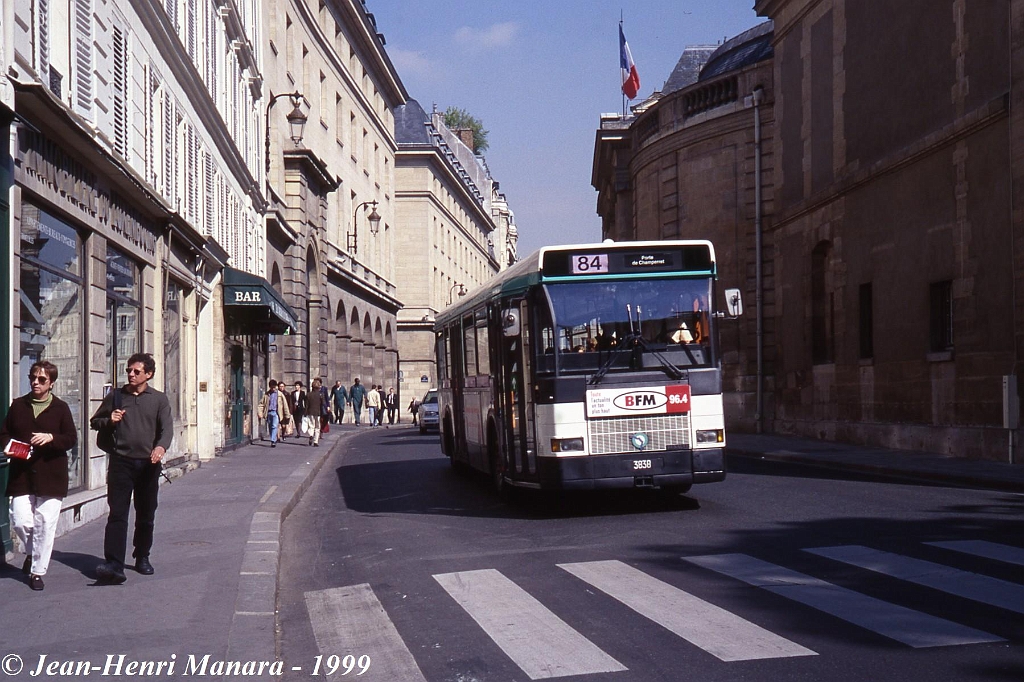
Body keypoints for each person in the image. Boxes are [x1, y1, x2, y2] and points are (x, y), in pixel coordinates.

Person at [91, 352, 172, 584]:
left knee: (146, 514)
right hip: (121, 462)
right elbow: (95, 422)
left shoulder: (158, 399)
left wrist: (160, 448)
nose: (131, 374)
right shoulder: (116, 396)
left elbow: (167, 429)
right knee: (117, 513)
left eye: (137, 371)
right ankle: (114, 564)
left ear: (149, 374)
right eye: (129, 370)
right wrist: (110, 420)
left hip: (148, 464)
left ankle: (142, 556)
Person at [1, 361, 77, 591]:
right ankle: (33, 552)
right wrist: (15, 448)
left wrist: (51, 438)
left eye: (41, 379)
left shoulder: (61, 408)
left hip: (51, 474)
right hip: (22, 474)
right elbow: (4, 435)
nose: (35, 382)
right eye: (32, 377)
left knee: (45, 523)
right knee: (21, 521)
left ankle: (37, 571)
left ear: (51, 384)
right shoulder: (18, 406)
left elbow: (71, 438)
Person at [256, 380, 290, 448]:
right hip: (268, 412)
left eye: (274, 387)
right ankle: (273, 438)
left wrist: (287, 414)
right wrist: (260, 412)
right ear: (270, 387)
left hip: (276, 412)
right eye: (272, 387)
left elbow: (285, 404)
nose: (273, 389)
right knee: (270, 427)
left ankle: (273, 440)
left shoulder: (280, 394)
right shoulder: (266, 394)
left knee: (274, 426)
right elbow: (261, 404)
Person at [305, 378, 325, 446]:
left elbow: (306, 405)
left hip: (310, 412)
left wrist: (305, 412)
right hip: (318, 412)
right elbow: (323, 404)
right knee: (317, 427)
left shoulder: (308, 394)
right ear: (319, 387)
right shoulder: (321, 395)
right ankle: (315, 441)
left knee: (311, 425)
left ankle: (311, 435)